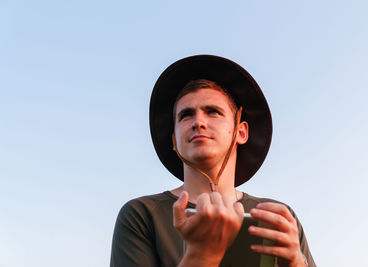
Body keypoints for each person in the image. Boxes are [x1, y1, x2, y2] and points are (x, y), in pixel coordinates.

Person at [110, 55, 316, 267]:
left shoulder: (278, 218)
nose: (198, 122)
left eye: (213, 112)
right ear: (173, 140)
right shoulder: (142, 215)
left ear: (241, 131)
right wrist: (202, 255)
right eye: (185, 115)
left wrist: (296, 263)